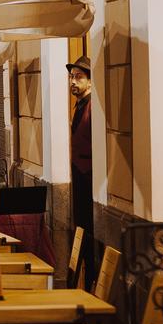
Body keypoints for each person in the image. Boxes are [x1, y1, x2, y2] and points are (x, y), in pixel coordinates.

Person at [67, 55, 94, 287]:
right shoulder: (79, 106)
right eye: (71, 77)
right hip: (80, 180)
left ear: (90, 82)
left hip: (89, 181)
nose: (73, 82)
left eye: (78, 77)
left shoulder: (92, 107)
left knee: (90, 238)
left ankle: (91, 284)